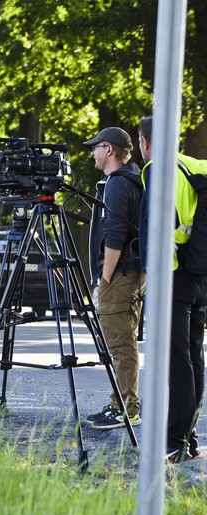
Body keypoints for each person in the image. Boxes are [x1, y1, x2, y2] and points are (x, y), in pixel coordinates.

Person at [137, 115, 207, 462]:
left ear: (146, 142)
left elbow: (161, 227)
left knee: (178, 363)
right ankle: (189, 437)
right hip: (200, 276)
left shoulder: (157, 171)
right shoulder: (196, 166)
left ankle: (175, 441)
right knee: (194, 359)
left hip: (175, 275)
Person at [82, 127, 146, 430]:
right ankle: (122, 402)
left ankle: (126, 408)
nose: (92, 152)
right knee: (123, 341)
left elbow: (115, 235)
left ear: (109, 149)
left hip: (119, 276)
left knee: (120, 345)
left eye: (95, 147)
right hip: (130, 274)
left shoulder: (118, 185)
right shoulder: (131, 180)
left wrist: (103, 280)